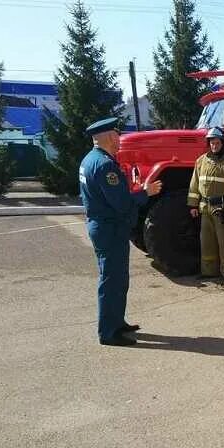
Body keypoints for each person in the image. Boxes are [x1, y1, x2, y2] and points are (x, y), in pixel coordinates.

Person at [79, 117, 162, 346]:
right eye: (116, 136)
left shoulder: (89, 160)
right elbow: (122, 203)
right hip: (110, 228)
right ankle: (108, 332)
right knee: (111, 280)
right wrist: (146, 192)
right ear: (107, 137)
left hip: (104, 226)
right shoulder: (105, 165)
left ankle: (117, 322)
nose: (119, 140)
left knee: (118, 278)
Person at [187, 127, 224, 281]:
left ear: (223, 143)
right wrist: (193, 204)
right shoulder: (201, 161)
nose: (214, 145)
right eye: (211, 142)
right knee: (207, 243)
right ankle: (209, 272)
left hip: (223, 209)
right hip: (205, 208)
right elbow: (194, 184)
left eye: (217, 142)